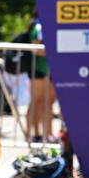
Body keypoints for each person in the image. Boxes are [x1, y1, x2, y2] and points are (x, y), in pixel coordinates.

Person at [25, 11, 57, 143]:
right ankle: (33, 134)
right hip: (38, 69)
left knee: (49, 102)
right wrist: (52, 52)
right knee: (36, 101)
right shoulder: (38, 26)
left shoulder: (50, 24)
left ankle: (47, 134)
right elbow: (36, 48)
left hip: (50, 69)